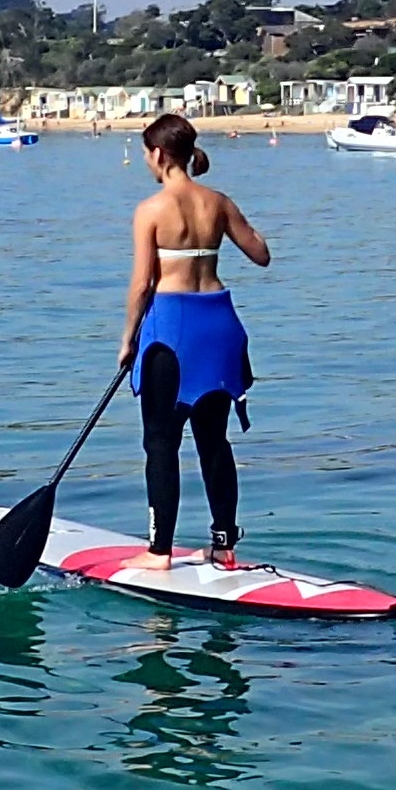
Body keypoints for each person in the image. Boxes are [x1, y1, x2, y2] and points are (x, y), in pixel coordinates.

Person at [118, 112, 270, 571]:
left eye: (147, 154)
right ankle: (224, 545)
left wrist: (127, 341)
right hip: (221, 327)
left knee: (161, 443)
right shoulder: (218, 202)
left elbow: (142, 285)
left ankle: (158, 551)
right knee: (214, 441)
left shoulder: (151, 210)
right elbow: (261, 254)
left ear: (159, 154)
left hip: (173, 329)